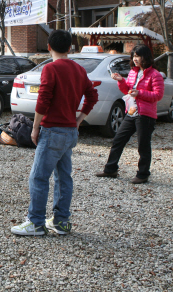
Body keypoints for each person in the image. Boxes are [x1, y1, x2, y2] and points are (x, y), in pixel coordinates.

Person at [11, 30, 98, 236]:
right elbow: (92, 96)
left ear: (49, 47)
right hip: (70, 131)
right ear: (69, 48)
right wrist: (78, 121)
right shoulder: (79, 69)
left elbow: (44, 99)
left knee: (39, 177)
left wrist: (35, 127)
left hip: (52, 131)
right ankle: (61, 222)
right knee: (63, 177)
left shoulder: (50, 68)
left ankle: (36, 222)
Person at [96, 44, 164, 184]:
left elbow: (158, 95)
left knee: (143, 145)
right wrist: (121, 80)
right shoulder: (133, 72)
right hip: (131, 112)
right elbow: (126, 90)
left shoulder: (155, 74)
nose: (135, 59)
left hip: (145, 115)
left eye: (138, 56)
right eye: (133, 56)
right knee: (118, 140)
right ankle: (110, 169)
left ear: (146, 57)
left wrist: (140, 93)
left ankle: (143, 174)